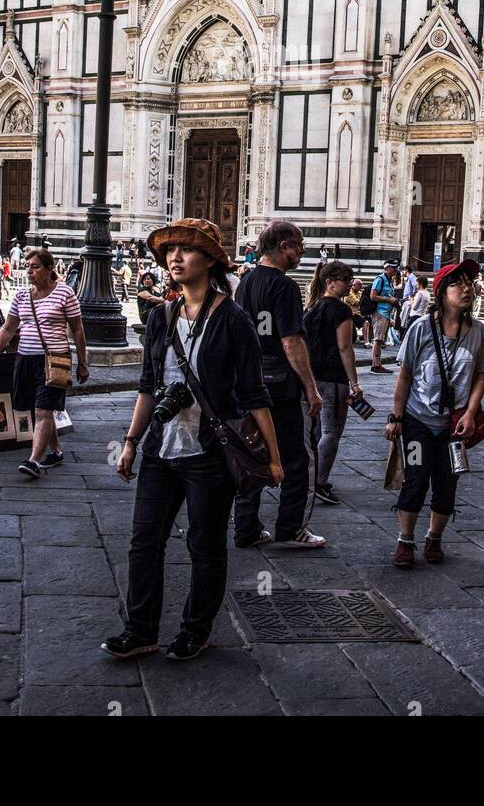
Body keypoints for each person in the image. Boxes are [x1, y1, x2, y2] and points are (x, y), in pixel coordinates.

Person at [103, 218, 281, 662]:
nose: (175, 258)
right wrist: (130, 440)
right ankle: (140, 629)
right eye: (170, 251)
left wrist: (275, 459)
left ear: (211, 261)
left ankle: (194, 630)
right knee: (144, 540)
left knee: (204, 545)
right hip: (161, 450)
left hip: (209, 453)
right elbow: (148, 386)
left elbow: (255, 395)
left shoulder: (234, 320)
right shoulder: (161, 317)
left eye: (186, 250)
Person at [387, 260, 484, 568]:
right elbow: (405, 375)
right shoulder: (421, 328)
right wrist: (396, 418)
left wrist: (471, 413)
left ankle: (434, 538)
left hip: (454, 425)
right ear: (441, 292)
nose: (466, 288)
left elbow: (480, 375)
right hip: (418, 420)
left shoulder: (477, 332)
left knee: (447, 484)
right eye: (457, 283)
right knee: (416, 481)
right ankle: (405, 541)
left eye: (468, 283)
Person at [233, 219, 325, 550]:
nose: (302, 251)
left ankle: (246, 528)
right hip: (281, 385)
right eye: (299, 245)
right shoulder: (284, 286)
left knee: (252, 450)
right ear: (284, 246)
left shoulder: (245, 283)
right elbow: (291, 342)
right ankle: (291, 527)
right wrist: (311, 388)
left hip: (249, 382)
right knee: (297, 458)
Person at [0, 248, 88, 477]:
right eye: (28, 266)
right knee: (39, 410)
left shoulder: (65, 293)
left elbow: (78, 329)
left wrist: (82, 362)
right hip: (25, 359)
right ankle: (56, 451)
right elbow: (9, 327)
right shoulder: (21, 295)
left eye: (36, 266)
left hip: (53, 360)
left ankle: (33, 460)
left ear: (50, 269)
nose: (30, 271)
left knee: (42, 410)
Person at [304, 260, 363, 505]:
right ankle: (319, 481)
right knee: (331, 432)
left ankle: (309, 479)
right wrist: (355, 383)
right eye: (345, 280)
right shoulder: (341, 311)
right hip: (333, 378)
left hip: (312, 377)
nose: (350, 285)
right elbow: (345, 347)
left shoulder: (311, 308)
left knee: (314, 431)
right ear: (330, 283)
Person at [369, 263, 400, 373]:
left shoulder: (389, 281)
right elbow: (373, 296)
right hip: (380, 312)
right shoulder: (380, 279)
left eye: (396, 268)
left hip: (386, 313)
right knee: (378, 339)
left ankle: (376, 364)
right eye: (393, 268)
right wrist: (389, 300)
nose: (396, 270)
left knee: (380, 339)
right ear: (387, 269)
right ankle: (376, 366)